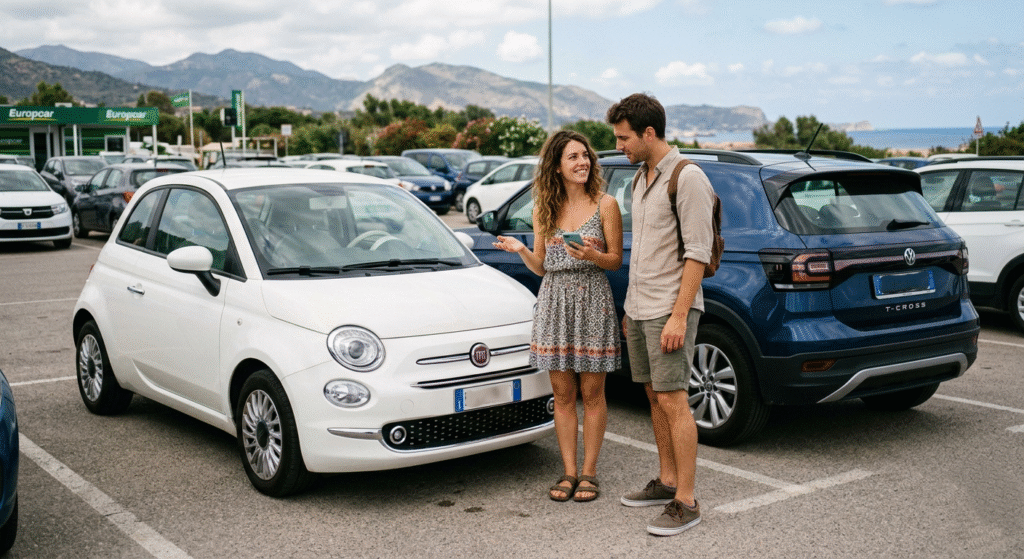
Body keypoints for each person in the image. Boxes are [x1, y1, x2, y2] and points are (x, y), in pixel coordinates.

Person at [493, 130, 623, 503]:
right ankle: (568, 471)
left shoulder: (606, 204)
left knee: (592, 393)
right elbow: (541, 266)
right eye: (573, 157)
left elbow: (614, 260)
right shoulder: (542, 209)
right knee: (563, 395)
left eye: (585, 155)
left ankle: (590, 472)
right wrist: (521, 250)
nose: (583, 162)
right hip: (553, 302)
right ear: (557, 166)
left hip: (592, 298)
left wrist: (591, 256)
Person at [606, 93, 714, 536]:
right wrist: (631, 308)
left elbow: (697, 253)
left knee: (673, 399)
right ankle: (667, 480)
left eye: (624, 138)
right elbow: (645, 252)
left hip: (671, 308)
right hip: (641, 306)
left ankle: (686, 501)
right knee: (653, 396)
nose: (619, 146)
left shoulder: (687, 178)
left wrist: (677, 315)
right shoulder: (638, 179)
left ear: (649, 133)